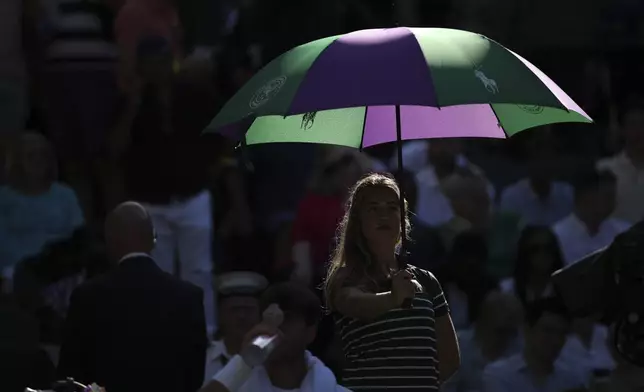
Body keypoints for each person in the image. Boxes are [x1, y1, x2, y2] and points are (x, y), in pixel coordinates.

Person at [109, 35, 218, 336]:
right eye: (150, 63)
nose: (157, 68)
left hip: (193, 194)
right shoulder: (130, 100)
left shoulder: (195, 94)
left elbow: (218, 144)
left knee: (200, 270)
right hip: (150, 201)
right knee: (158, 272)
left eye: (161, 60)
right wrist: (132, 104)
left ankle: (205, 332)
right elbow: (115, 149)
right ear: (141, 67)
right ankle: (161, 333)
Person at [324, 173, 460, 391]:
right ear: (358, 221)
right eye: (373, 208)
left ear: (403, 219)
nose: (384, 215)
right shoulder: (346, 277)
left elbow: (450, 359)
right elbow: (354, 302)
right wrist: (393, 298)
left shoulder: (427, 280)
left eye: (392, 207)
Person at [57, 202, 207, 392]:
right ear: (154, 240)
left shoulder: (86, 297)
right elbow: (194, 377)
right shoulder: (189, 296)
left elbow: (70, 375)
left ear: (109, 242)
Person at [201, 282, 350, 392]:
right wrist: (243, 361)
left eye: (287, 319)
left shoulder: (331, 389)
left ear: (311, 332)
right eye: (268, 319)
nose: (275, 328)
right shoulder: (233, 387)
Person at [0, 132, 84, 291]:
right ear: (17, 160)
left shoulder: (65, 194)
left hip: (61, 272)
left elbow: (78, 238)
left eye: (43, 155)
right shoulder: (3, 198)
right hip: (16, 273)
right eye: (31, 155)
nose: (38, 160)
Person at [482, 298, 587, 392]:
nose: (556, 340)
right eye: (548, 331)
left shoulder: (572, 379)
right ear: (527, 330)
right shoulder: (499, 375)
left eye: (561, 334)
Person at [443, 291, 523, 392]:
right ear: (483, 322)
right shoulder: (456, 346)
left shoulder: (520, 349)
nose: (506, 338)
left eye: (512, 331)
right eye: (501, 331)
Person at [552, 168, 631, 265]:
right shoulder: (557, 235)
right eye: (607, 196)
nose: (613, 202)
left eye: (613, 196)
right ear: (586, 196)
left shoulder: (624, 232)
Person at [204, 271, 267, 384]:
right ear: (220, 315)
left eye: (248, 310)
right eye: (234, 310)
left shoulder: (271, 358)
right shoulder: (204, 359)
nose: (241, 317)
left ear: (260, 314)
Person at [500, 226, 564, 305]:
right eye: (535, 249)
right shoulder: (507, 290)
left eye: (548, 248)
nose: (543, 254)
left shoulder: (566, 288)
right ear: (524, 253)